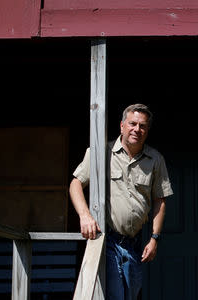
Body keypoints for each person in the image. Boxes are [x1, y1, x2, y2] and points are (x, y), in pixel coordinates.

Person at [69, 103, 173, 300]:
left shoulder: (155, 160)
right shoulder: (101, 153)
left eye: (142, 126)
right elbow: (76, 184)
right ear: (122, 126)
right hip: (107, 239)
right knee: (115, 295)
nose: (137, 129)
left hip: (135, 243)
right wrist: (85, 216)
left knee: (130, 295)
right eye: (132, 124)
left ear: (147, 130)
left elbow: (160, 199)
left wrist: (155, 238)